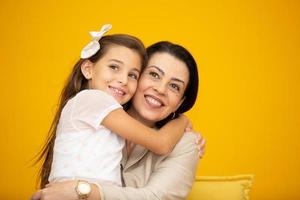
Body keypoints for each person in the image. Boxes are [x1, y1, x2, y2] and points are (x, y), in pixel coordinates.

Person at [32, 41, 205, 200]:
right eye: (153, 74)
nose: (160, 89)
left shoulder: (187, 144)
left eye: (175, 86)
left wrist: (85, 191)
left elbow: (157, 197)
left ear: (181, 102)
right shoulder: (99, 118)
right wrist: (183, 120)